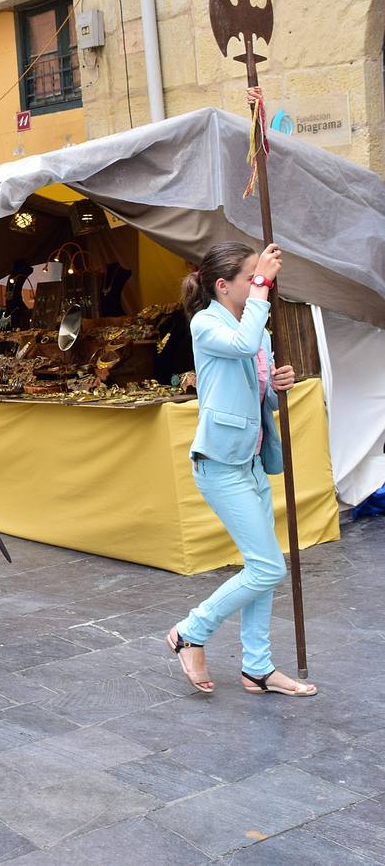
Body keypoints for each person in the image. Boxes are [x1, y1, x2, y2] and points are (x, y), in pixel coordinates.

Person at [167, 242, 315, 697]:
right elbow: (242, 344)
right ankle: (190, 631)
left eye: (260, 277)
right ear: (222, 285)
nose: (258, 285)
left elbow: (260, 395)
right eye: (251, 277)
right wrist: (264, 288)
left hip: (250, 463)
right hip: (218, 464)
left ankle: (257, 668)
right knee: (269, 568)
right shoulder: (206, 323)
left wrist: (278, 387)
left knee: (260, 566)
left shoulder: (259, 330)